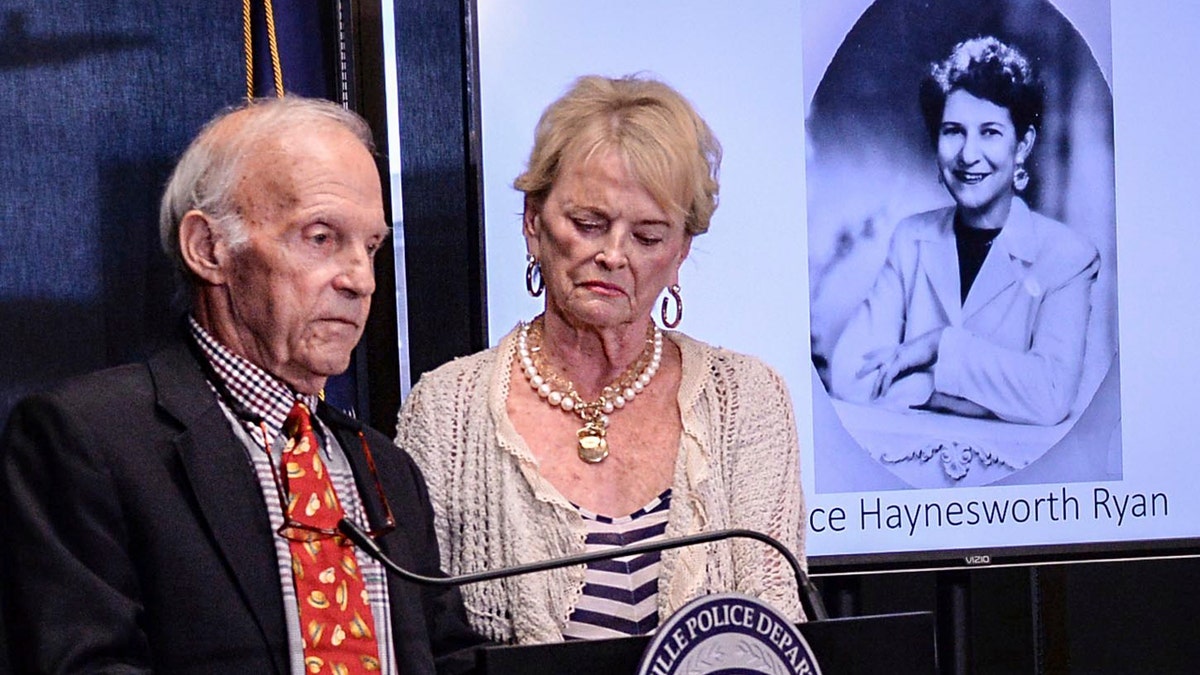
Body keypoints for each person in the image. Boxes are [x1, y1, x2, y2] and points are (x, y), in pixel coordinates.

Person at [0, 96, 483, 673]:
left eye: (371, 246)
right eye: (322, 237)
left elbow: (447, 655)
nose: (361, 280)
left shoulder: (385, 467)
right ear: (209, 249)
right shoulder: (85, 440)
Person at [395, 75, 805, 644]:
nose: (613, 255)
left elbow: (775, 629)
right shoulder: (445, 412)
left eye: (647, 235)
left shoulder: (748, 400)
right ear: (533, 223)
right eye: (588, 224)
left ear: (681, 250)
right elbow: (422, 641)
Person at [829, 36, 1100, 426]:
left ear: (1022, 145)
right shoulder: (911, 239)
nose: (968, 155)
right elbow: (848, 376)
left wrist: (939, 345)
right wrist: (959, 396)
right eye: (953, 130)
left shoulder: (1069, 255)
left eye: (990, 132)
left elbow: (1051, 397)